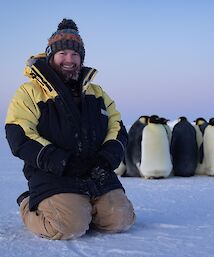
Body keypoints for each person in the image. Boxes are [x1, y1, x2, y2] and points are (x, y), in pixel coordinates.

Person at [5, 18, 135, 240]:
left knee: (121, 219)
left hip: (95, 170)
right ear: (51, 55)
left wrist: (107, 158)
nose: (69, 59)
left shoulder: (97, 92)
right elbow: (19, 135)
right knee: (67, 226)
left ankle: (83, 206)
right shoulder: (30, 92)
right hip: (53, 172)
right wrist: (63, 161)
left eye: (75, 54)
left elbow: (117, 127)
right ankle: (29, 203)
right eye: (62, 53)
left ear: (81, 58)